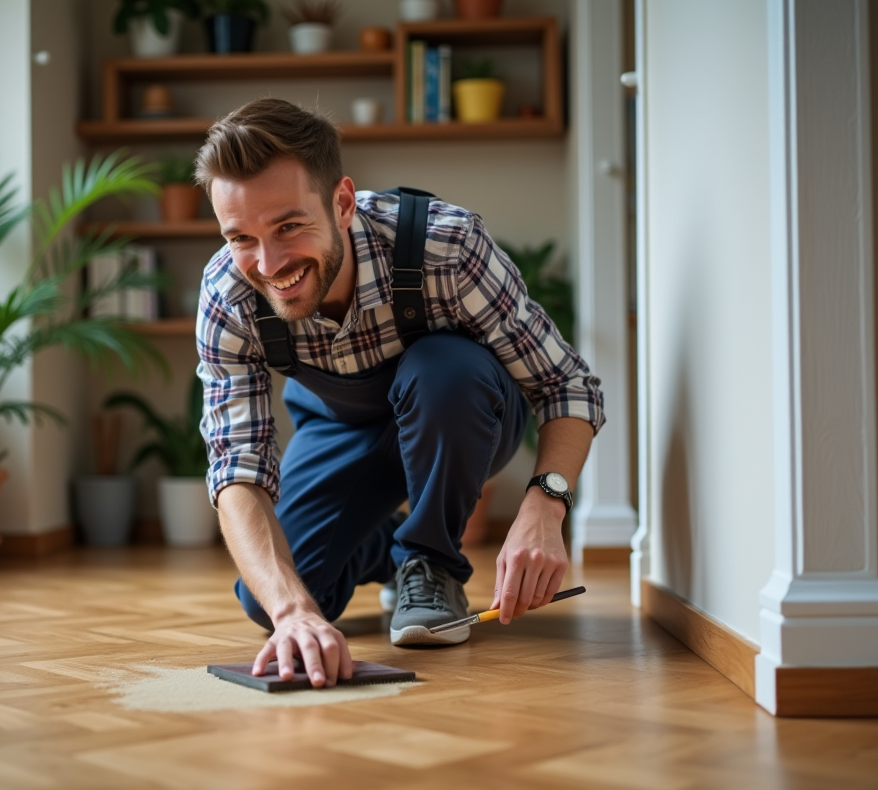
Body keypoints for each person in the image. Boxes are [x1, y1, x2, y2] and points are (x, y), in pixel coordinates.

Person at [193, 98, 604, 689]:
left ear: (341, 203)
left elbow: (565, 385)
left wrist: (546, 505)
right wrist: (293, 612)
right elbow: (236, 465)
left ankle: (434, 563)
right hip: (342, 430)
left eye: (288, 226)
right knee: (273, 596)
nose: (269, 263)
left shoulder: (446, 246)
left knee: (443, 368)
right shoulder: (228, 295)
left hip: (460, 410)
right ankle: (398, 554)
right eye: (241, 237)